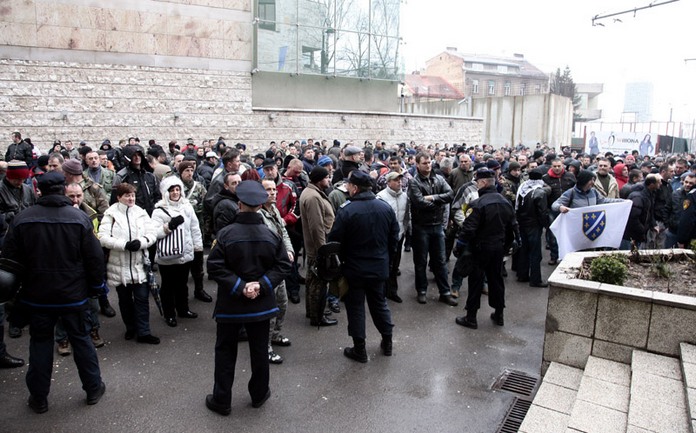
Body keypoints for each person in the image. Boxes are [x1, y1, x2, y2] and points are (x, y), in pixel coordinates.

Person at [1, 171, 107, 413]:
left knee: (40, 345)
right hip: (73, 296)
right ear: (62, 190)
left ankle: (39, 398)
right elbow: (95, 259)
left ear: (39, 190)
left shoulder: (23, 219)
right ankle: (92, 388)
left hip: (37, 297)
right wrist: (95, 288)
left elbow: (9, 262)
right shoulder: (79, 218)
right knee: (81, 341)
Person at [205, 180, 292, 416]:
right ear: (260, 204)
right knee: (259, 351)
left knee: (225, 351)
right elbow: (283, 265)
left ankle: (222, 399)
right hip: (261, 306)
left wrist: (240, 287)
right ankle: (259, 393)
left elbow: (214, 267)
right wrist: (261, 285)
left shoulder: (225, 234)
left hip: (230, 305)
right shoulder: (270, 234)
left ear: (239, 204)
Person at [328, 170, 398, 363]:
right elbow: (394, 239)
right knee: (379, 304)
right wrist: (387, 260)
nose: (347, 188)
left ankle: (360, 349)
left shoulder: (347, 210)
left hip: (354, 269)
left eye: (349, 185)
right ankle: (387, 342)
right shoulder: (385, 208)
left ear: (355, 188)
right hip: (379, 267)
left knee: (356, 307)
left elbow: (334, 241)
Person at [99, 183, 164, 344]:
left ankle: (144, 332)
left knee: (142, 299)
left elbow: (152, 234)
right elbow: (102, 237)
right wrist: (124, 245)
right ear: (119, 197)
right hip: (119, 266)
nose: (131, 198)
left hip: (139, 265)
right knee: (125, 301)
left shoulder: (141, 213)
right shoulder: (111, 214)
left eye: (133, 195)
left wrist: (141, 242)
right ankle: (130, 327)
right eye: (127, 195)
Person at [455, 169, 517, 330]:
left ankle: (471, 317)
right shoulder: (505, 202)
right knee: (496, 280)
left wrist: (459, 246)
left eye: (477, 182)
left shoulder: (478, 204)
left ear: (482, 183)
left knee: (475, 281)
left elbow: (469, 229)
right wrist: (507, 246)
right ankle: (499, 314)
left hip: (480, 248)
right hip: (498, 248)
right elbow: (512, 227)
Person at [151, 176, 202, 328]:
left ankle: (183, 309)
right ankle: (169, 314)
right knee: (168, 286)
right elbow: (154, 232)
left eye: (178, 189)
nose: (175, 193)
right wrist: (169, 226)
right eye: (172, 190)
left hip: (185, 253)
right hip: (167, 256)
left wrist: (198, 247)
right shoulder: (159, 211)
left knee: (182, 284)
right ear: (166, 192)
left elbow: (195, 228)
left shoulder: (187, 207)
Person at [407, 152, 457, 306]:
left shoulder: (439, 178)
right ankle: (421, 290)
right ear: (417, 164)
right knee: (421, 261)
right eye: (424, 163)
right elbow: (419, 203)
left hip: (436, 226)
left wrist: (433, 198)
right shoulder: (414, 182)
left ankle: (445, 292)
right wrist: (438, 204)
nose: (428, 165)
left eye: (429, 162)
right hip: (421, 227)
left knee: (440, 261)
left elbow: (450, 194)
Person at [259, 179, 295, 364]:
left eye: (274, 189)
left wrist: (289, 250)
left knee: (282, 303)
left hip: (279, 267)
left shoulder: (274, 211)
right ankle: (265, 347)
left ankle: (276, 334)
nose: (273, 193)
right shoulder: (258, 215)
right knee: (270, 308)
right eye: (268, 190)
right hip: (268, 269)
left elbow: (284, 232)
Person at [300, 166, 337, 326]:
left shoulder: (312, 192)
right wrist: (323, 251)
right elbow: (317, 227)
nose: (329, 180)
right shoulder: (313, 197)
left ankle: (313, 310)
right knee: (318, 283)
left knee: (312, 281)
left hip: (314, 247)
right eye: (327, 177)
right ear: (320, 179)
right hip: (318, 248)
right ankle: (317, 316)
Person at [376, 171, 410, 303]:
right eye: (396, 180)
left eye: (400, 180)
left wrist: (405, 230)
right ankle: (381, 291)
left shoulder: (405, 197)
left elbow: (406, 215)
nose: (399, 183)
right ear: (389, 182)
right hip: (384, 237)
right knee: (384, 264)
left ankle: (392, 291)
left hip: (399, 235)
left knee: (395, 265)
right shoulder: (380, 197)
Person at [515, 169, 550, 287]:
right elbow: (542, 212)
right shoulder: (540, 192)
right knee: (535, 253)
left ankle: (522, 275)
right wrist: (545, 224)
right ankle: (535, 279)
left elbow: (517, 207)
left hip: (522, 223)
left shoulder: (523, 188)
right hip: (534, 225)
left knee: (523, 250)